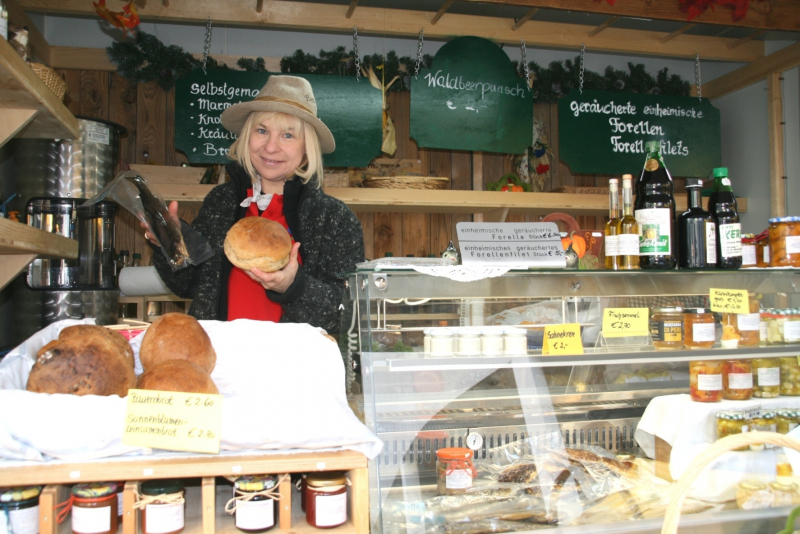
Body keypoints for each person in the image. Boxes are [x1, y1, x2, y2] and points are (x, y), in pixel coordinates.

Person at [146, 76, 364, 333]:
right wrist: (170, 242)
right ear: (247, 136)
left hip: (293, 368)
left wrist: (295, 287)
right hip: (221, 361)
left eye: (287, 135)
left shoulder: (334, 218)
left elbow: (350, 313)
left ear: (307, 148)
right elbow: (188, 285)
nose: (271, 147)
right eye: (262, 131)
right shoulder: (221, 202)